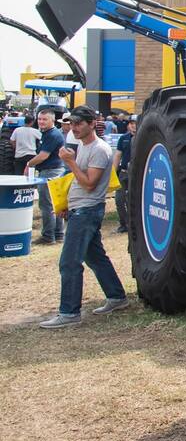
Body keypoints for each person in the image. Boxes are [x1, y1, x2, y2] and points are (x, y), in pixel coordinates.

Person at [39, 106, 128, 329]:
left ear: (91, 123)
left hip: (87, 211)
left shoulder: (99, 149)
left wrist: (70, 162)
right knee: (95, 258)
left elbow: (89, 184)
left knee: (69, 262)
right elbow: (77, 181)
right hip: (80, 209)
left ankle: (69, 312)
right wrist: (66, 204)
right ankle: (116, 297)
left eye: (78, 123)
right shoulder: (81, 146)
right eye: (71, 123)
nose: (73, 128)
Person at [23, 109, 66, 244]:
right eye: (39, 119)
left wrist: (29, 164)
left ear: (52, 120)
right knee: (55, 205)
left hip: (50, 172)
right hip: (53, 171)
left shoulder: (52, 134)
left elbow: (43, 156)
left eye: (44, 119)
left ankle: (48, 236)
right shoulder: (48, 133)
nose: (41, 121)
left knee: (47, 205)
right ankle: (58, 234)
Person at [113, 115, 137, 233]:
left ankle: (134, 224)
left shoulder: (142, 139)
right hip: (123, 173)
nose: (133, 126)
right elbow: (118, 155)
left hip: (136, 175)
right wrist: (113, 173)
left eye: (136, 123)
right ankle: (124, 224)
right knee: (119, 199)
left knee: (133, 200)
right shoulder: (123, 138)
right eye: (131, 123)